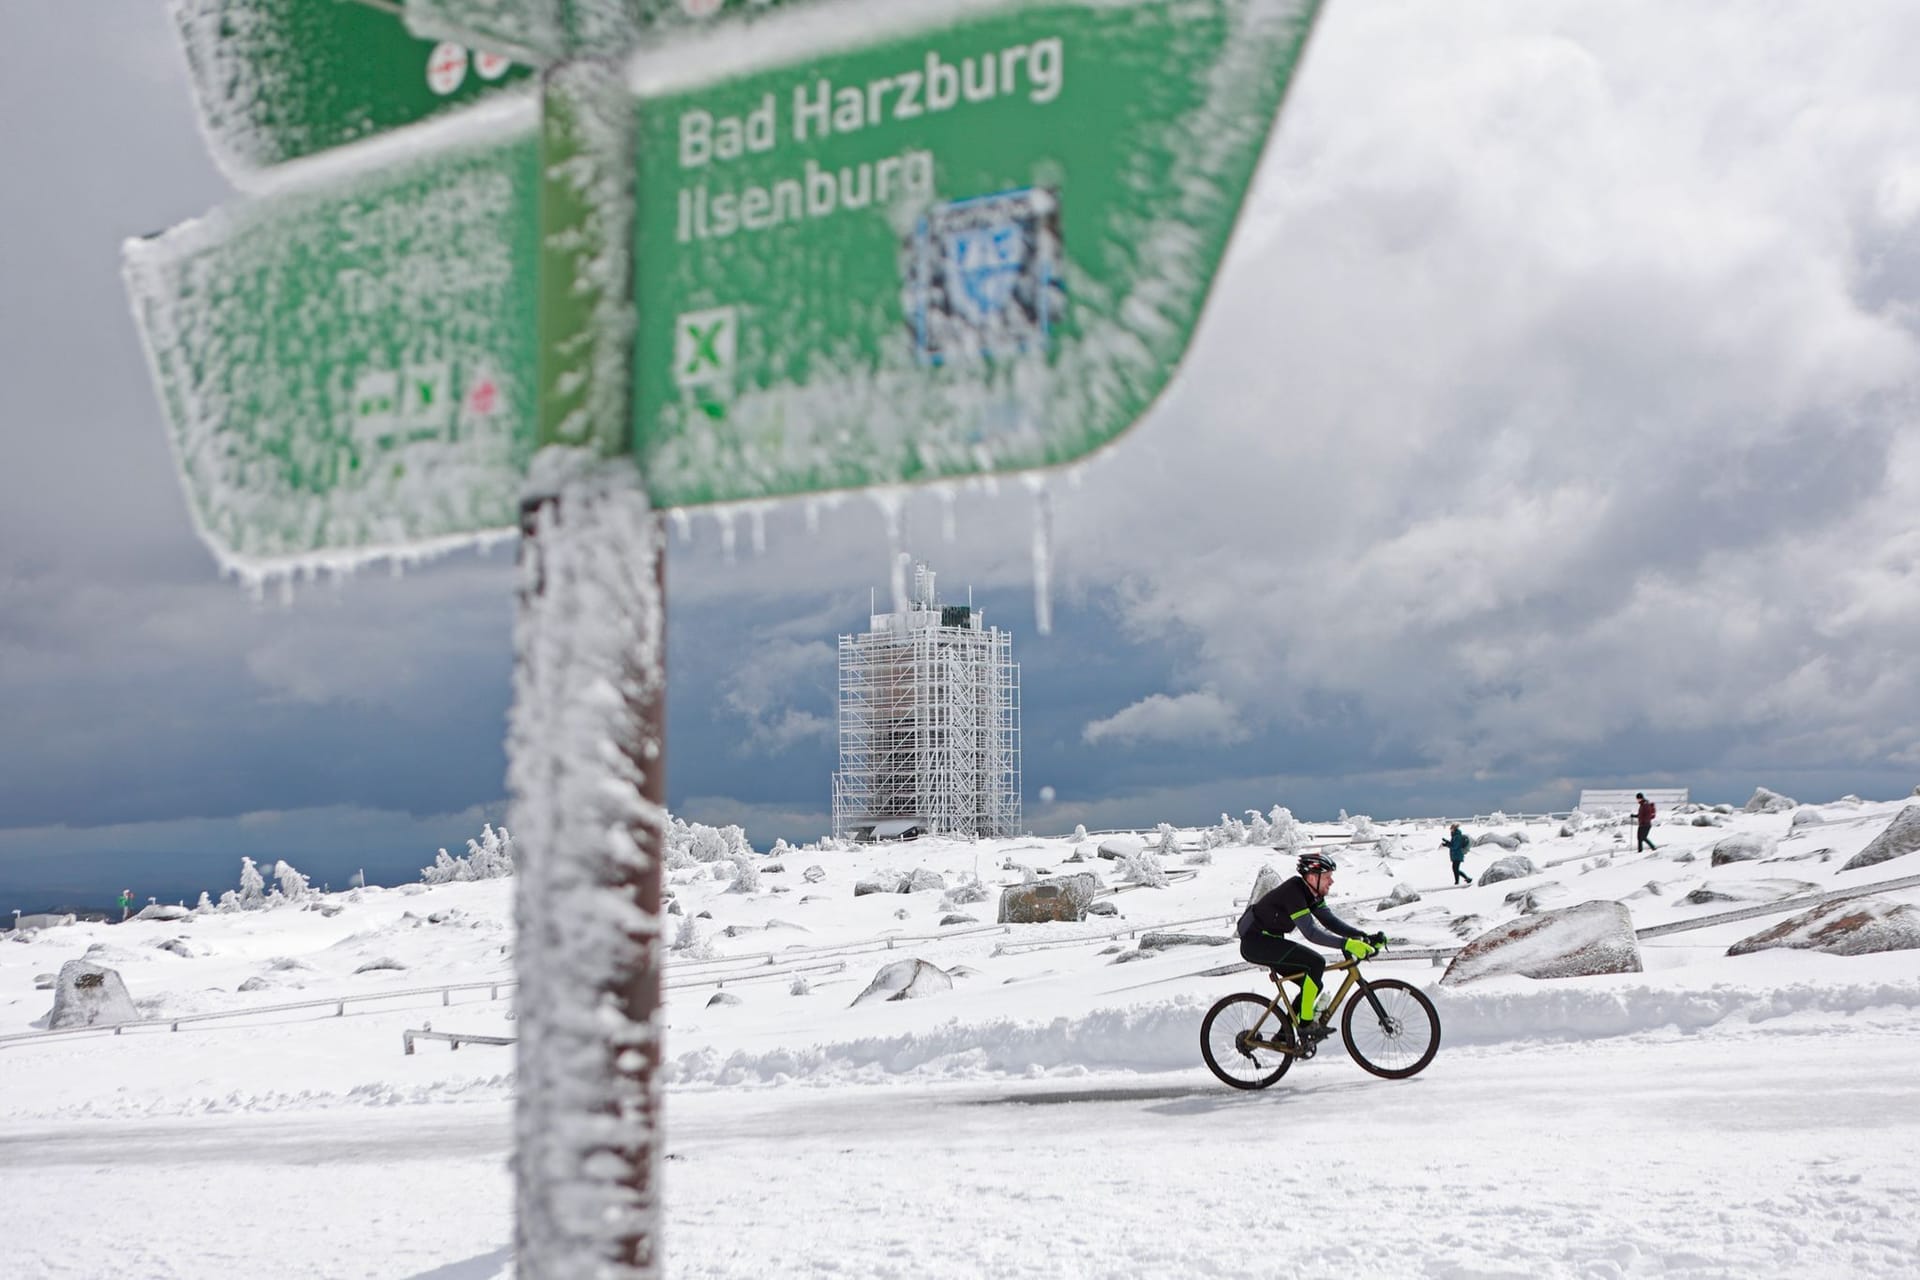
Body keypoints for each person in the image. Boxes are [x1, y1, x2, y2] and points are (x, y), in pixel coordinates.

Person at [1236, 851, 1385, 1046]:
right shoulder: (1294, 892)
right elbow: (1311, 933)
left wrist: (1361, 936)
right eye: (1328, 877)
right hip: (1257, 943)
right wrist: (1345, 944)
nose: (1331, 882)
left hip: (1269, 942)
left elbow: (1329, 921)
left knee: (1313, 982)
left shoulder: (1311, 893)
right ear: (1312, 877)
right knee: (1316, 963)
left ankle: (1283, 1037)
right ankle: (1305, 1025)